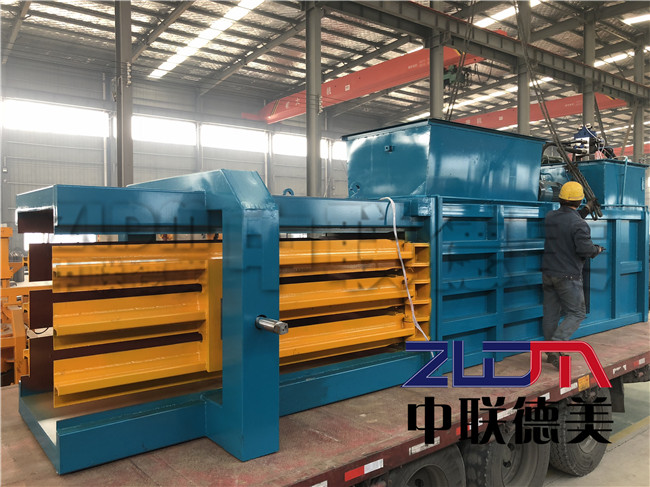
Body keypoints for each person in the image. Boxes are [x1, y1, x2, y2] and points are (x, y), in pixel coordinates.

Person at [541, 181, 604, 368]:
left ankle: (550, 351)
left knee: (551, 314)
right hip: (567, 276)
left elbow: (567, 221)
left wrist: (586, 210)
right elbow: (585, 249)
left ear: (560, 198)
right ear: (579, 200)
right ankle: (556, 345)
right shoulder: (579, 224)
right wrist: (597, 250)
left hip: (548, 273)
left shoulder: (550, 216)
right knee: (577, 313)